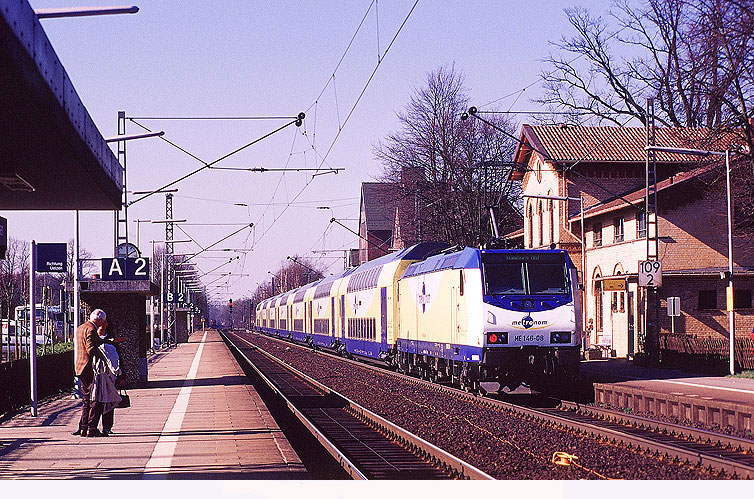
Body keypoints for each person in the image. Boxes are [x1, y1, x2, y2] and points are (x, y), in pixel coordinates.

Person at [73, 309, 107, 437]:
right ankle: (91, 428)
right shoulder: (92, 329)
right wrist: (103, 357)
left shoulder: (81, 328)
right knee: (95, 398)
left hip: (80, 367)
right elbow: (91, 348)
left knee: (86, 399)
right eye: (102, 322)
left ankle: (83, 427)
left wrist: (109, 341)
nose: (102, 325)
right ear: (98, 319)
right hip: (89, 368)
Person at [92, 327, 122, 436]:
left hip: (109, 376)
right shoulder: (95, 340)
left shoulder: (111, 341)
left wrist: (121, 375)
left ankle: (107, 426)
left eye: (105, 324)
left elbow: (118, 359)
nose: (102, 327)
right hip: (98, 375)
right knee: (97, 402)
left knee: (108, 400)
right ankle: (92, 426)